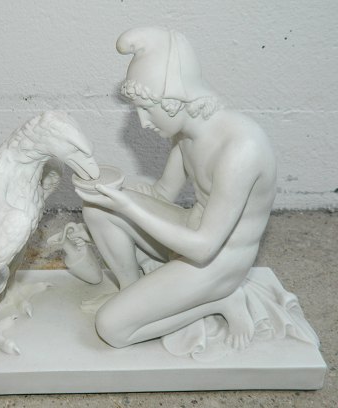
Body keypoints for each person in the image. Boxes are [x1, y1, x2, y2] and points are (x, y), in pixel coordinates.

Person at [75, 27, 277, 351]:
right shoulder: (186, 135)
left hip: (217, 263)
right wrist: (111, 191)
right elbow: (162, 195)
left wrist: (128, 206)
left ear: (174, 102)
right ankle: (131, 290)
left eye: (147, 108)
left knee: (111, 328)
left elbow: (204, 248)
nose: (142, 122)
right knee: (98, 208)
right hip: (188, 233)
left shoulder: (240, 149)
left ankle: (220, 301)